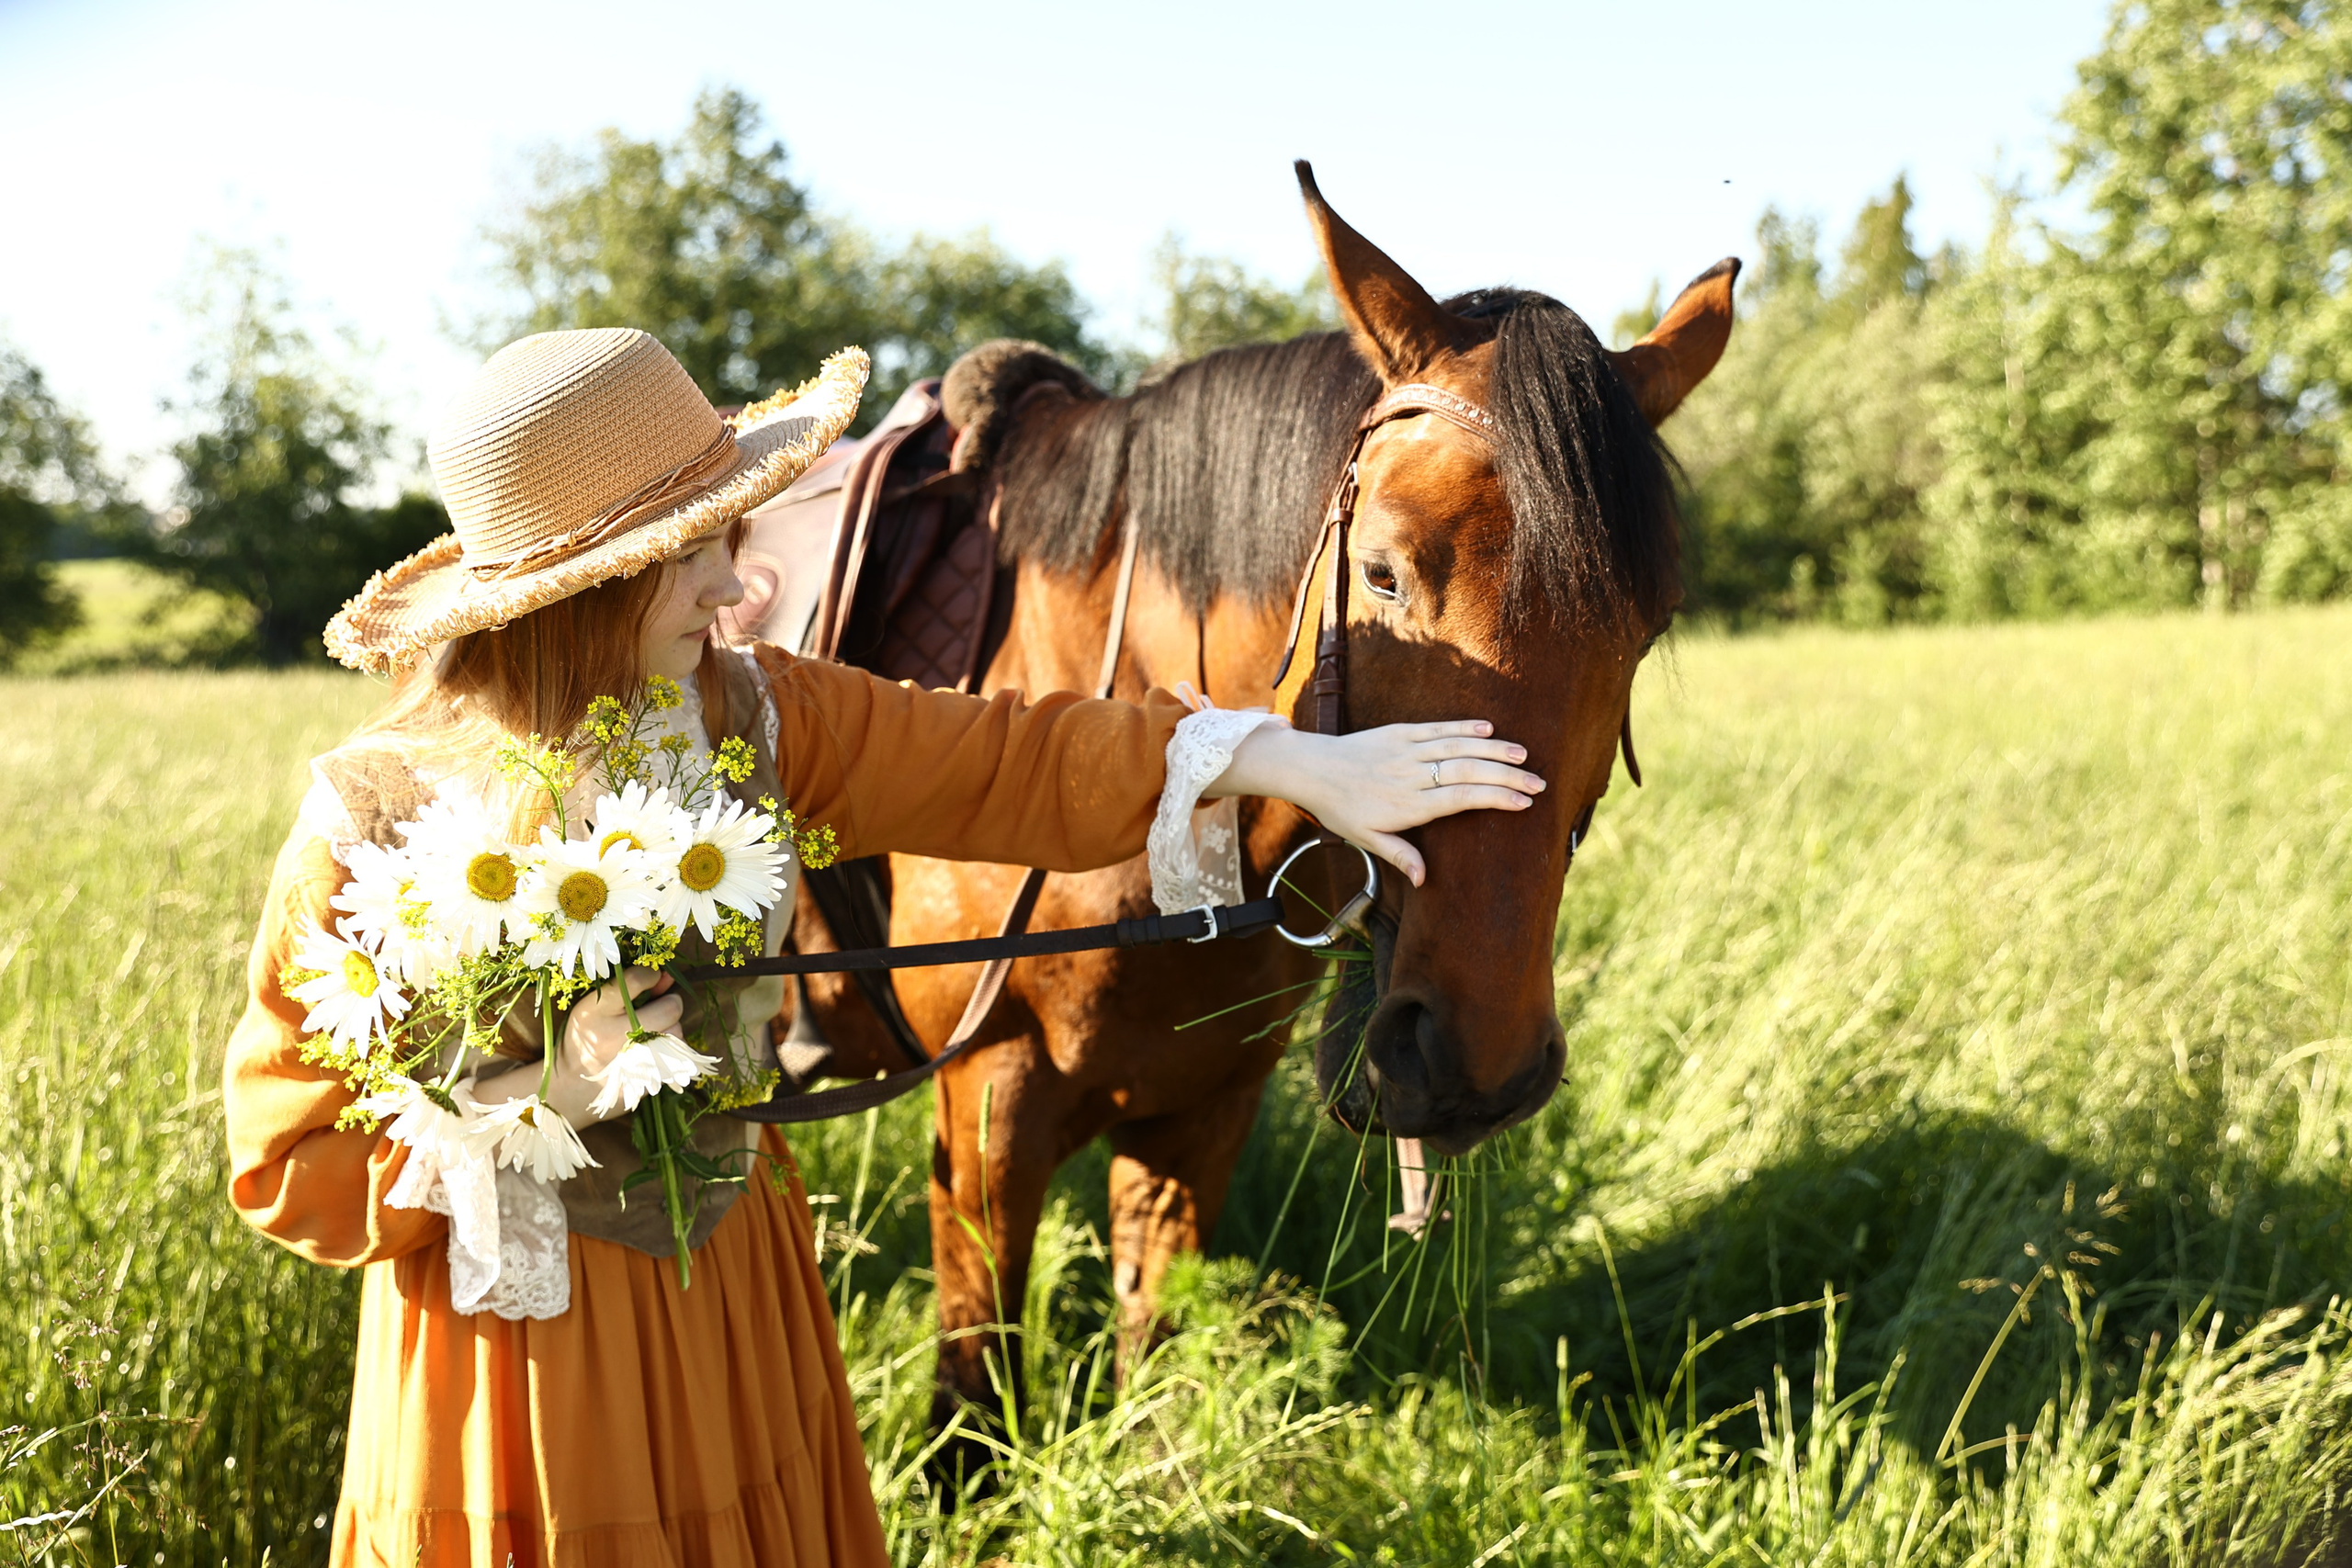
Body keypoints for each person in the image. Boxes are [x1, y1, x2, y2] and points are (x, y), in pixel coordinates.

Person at [223, 328, 1546, 1566]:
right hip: (518, 1358)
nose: (735, 585)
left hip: (731, 1285)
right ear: (585, 588)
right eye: (692, 553)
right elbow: (285, 1162)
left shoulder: (750, 714)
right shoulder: (374, 821)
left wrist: (1290, 760)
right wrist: (549, 1096)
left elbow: (1004, 760)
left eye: (730, 536)